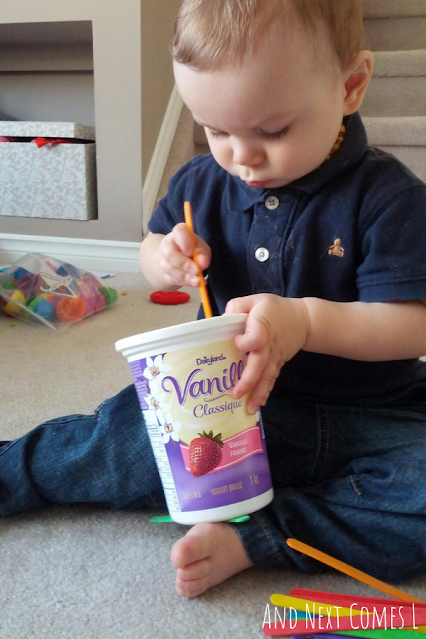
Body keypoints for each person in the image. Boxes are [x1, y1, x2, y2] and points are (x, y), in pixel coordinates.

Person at [2, 0, 426, 598]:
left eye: (272, 130)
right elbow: (152, 251)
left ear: (351, 86)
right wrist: (164, 259)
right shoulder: (199, 184)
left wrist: (304, 321)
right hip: (223, 407)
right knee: (115, 441)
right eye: (217, 130)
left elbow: (411, 325)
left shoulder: (390, 198)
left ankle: (259, 536)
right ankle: (11, 472)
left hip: (376, 412)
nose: (241, 156)